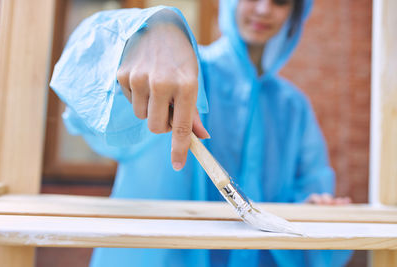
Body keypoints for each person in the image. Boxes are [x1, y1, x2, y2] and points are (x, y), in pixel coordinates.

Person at [50, 0, 352, 266]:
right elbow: (87, 100)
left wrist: (313, 210)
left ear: (295, 13)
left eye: (280, 1)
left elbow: (306, 191)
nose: (264, 8)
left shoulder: (293, 107)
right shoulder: (178, 75)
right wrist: (149, 31)